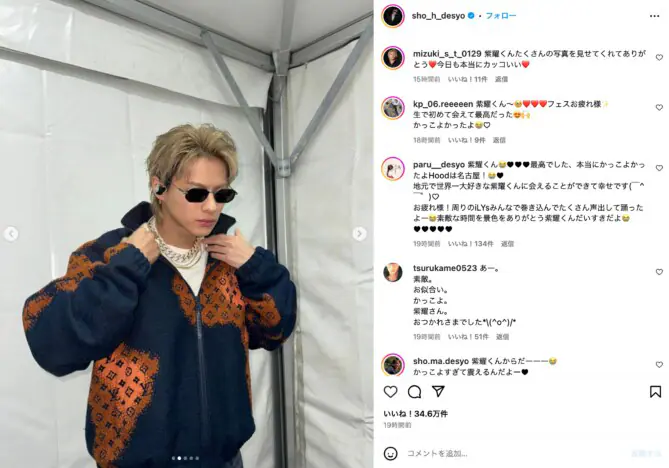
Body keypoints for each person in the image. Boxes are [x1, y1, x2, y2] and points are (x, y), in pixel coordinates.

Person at [21, 124, 297, 468]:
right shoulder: (109, 255)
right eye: (196, 194)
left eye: (222, 194)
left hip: (223, 460)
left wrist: (257, 268)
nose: (212, 207)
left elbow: (273, 331)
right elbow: (54, 347)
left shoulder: (229, 261)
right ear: (159, 187)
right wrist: (125, 268)